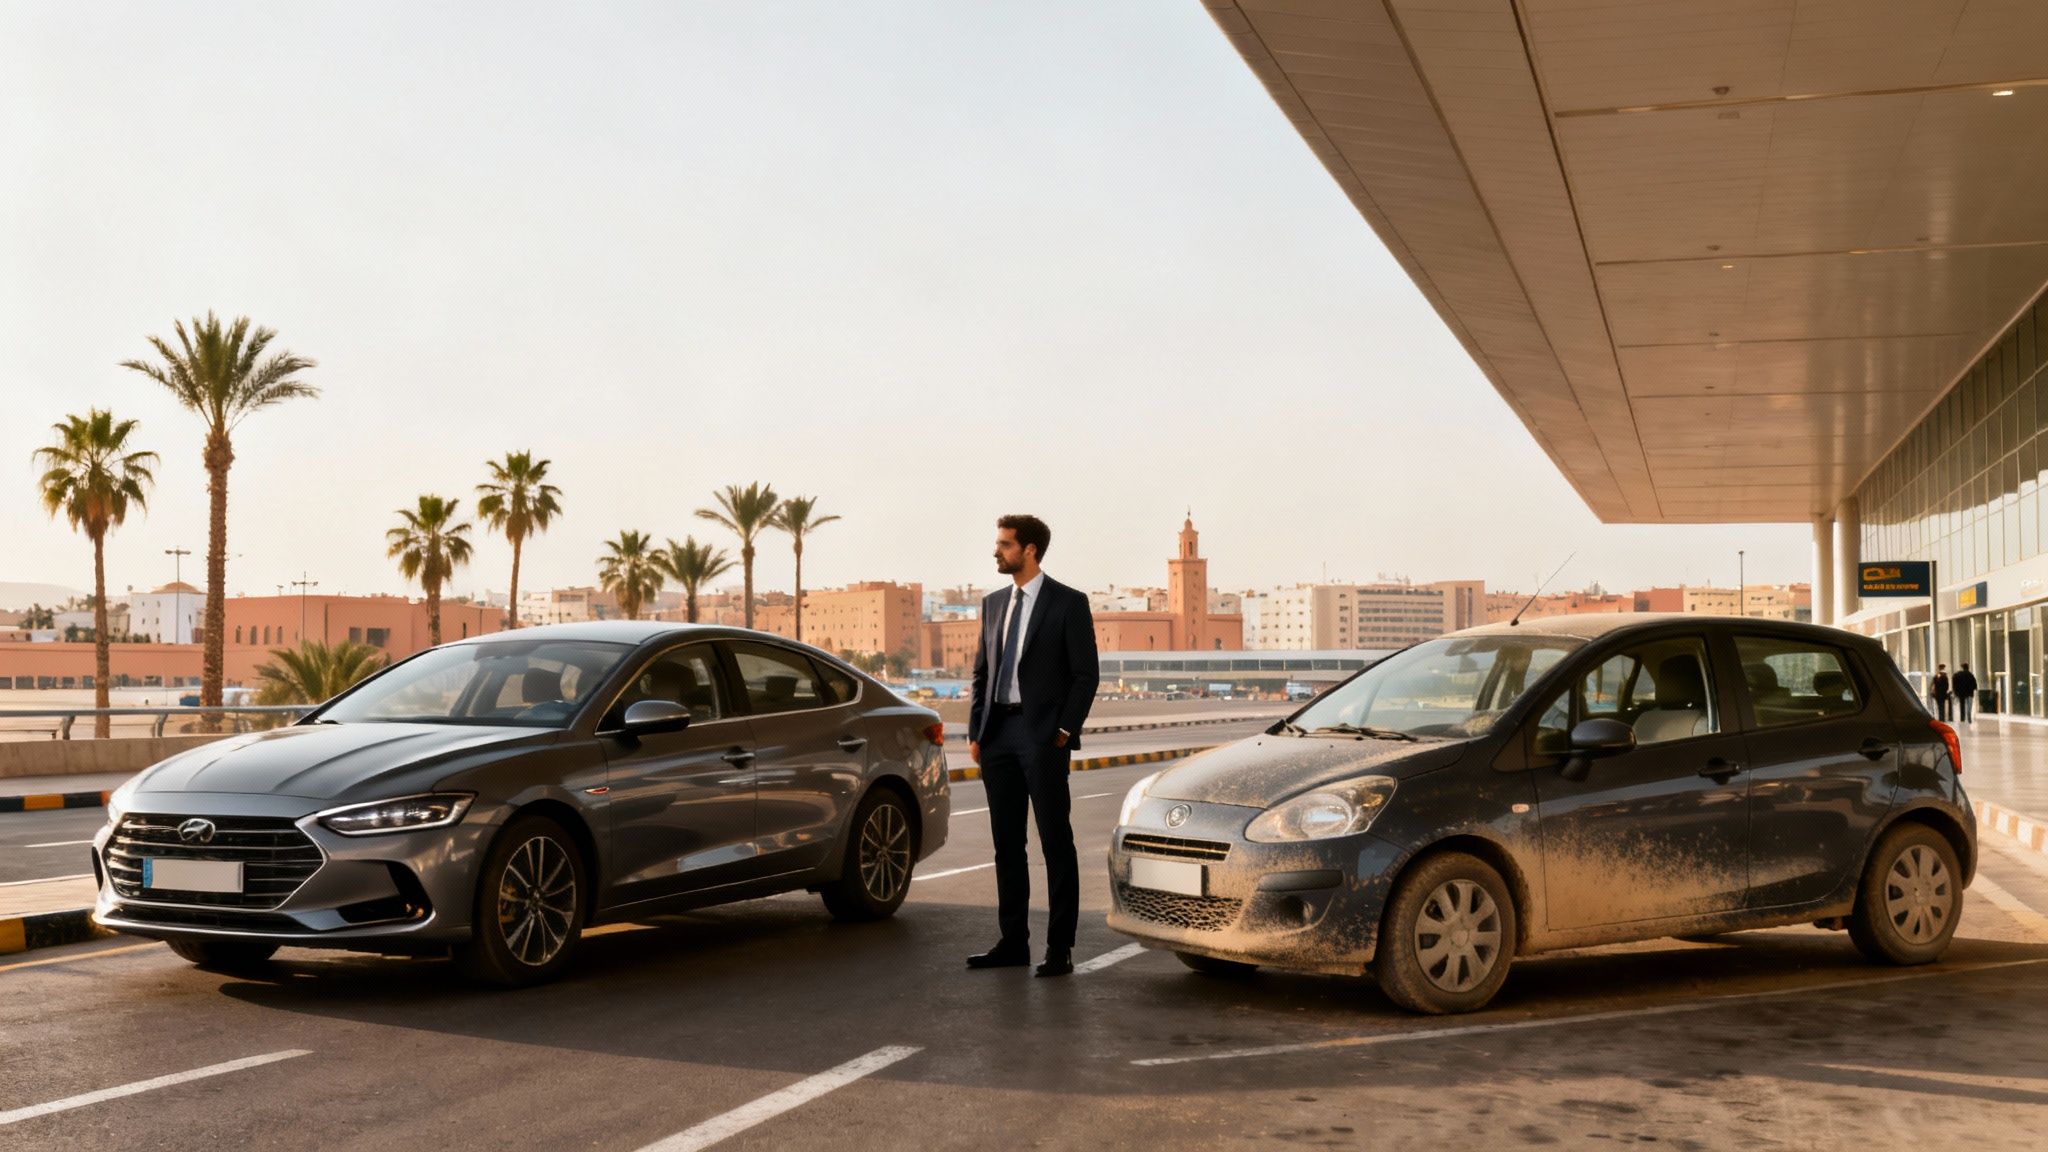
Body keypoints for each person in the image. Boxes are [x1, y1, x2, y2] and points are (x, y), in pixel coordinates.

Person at [965, 514, 1099, 978]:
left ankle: (1059, 947)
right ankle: (1012, 942)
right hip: (997, 734)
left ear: (1030, 550)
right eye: (998, 543)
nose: (996, 552)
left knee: (1055, 843)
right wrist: (975, 731)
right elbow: (982, 672)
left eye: (1004, 544)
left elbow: (1085, 676)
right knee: (1007, 845)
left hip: (1041, 737)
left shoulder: (1068, 603)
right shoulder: (993, 604)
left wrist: (1063, 732)